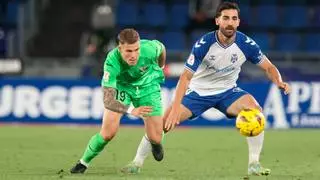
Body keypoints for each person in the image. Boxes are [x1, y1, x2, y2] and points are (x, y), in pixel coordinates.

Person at [121, 2, 291, 176]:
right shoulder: (204, 44)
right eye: (225, 18)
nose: (230, 22)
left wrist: (279, 81)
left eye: (234, 18)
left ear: (238, 22)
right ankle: (137, 162)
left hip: (228, 92)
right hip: (198, 92)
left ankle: (254, 163)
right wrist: (176, 107)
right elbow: (185, 77)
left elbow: (269, 67)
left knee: (255, 111)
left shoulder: (246, 44)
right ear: (217, 21)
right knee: (161, 125)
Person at [70, 28, 167, 173]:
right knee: (108, 133)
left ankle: (155, 143)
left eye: (136, 50)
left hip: (148, 86)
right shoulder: (112, 61)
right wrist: (131, 110)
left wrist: (160, 66)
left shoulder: (149, 48)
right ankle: (83, 162)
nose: (134, 55)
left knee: (156, 137)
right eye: (129, 51)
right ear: (119, 48)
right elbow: (108, 99)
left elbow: (162, 48)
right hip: (123, 88)